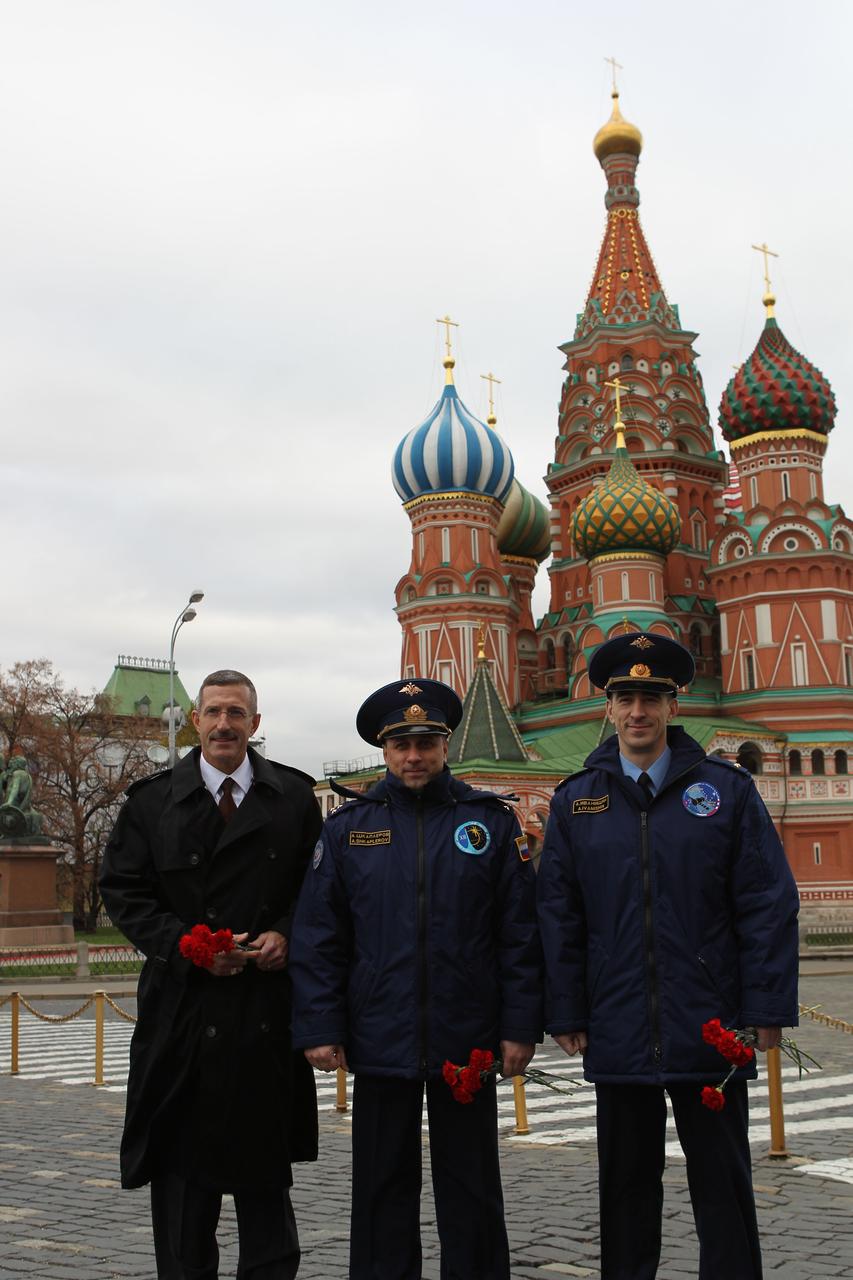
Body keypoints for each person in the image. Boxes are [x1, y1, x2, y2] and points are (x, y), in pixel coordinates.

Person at [536, 631, 799, 1280]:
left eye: (651, 697)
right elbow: (558, 915)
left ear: (672, 706)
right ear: (607, 705)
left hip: (710, 1024)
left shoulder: (725, 793)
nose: (637, 711)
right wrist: (566, 1009)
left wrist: (765, 1007)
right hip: (618, 1023)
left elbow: (766, 902)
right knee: (624, 1189)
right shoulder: (577, 801)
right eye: (625, 697)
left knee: (723, 1187)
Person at [289, 677, 542, 1280]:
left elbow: (520, 934)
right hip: (379, 1036)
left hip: (468, 1035)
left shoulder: (490, 823)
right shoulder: (350, 828)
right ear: (384, 750)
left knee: (474, 1186)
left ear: (446, 744)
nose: (413, 755)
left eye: (426, 741)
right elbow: (320, 935)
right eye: (400, 743)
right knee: (381, 1187)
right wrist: (321, 1025)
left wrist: (520, 1026)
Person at [100, 669, 322, 1280]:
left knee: (264, 1193)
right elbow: (123, 891)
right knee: (181, 1198)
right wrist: (186, 946)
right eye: (214, 712)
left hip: (265, 1017)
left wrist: (288, 931)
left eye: (237, 713)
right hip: (182, 1019)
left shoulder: (295, 799)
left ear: (256, 723)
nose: (225, 724)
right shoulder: (151, 803)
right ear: (195, 720)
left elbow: (322, 889)